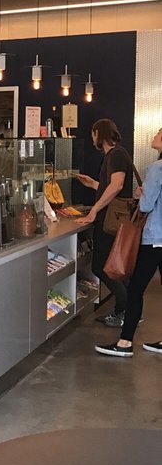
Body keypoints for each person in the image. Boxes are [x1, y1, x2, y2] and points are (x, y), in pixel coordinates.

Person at [95, 126, 162, 356]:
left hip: (154, 238)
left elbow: (146, 205)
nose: (155, 136)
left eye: (159, 133)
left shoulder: (157, 168)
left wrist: (141, 195)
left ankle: (125, 343)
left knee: (135, 290)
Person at [77, 118, 136, 327]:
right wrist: (94, 184)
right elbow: (111, 186)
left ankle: (126, 309)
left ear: (98, 134)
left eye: (93, 134)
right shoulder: (116, 154)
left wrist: (94, 210)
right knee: (116, 267)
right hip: (113, 219)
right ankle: (130, 310)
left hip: (110, 220)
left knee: (102, 266)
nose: (92, 139)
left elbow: (117, 186)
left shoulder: (116, 154)